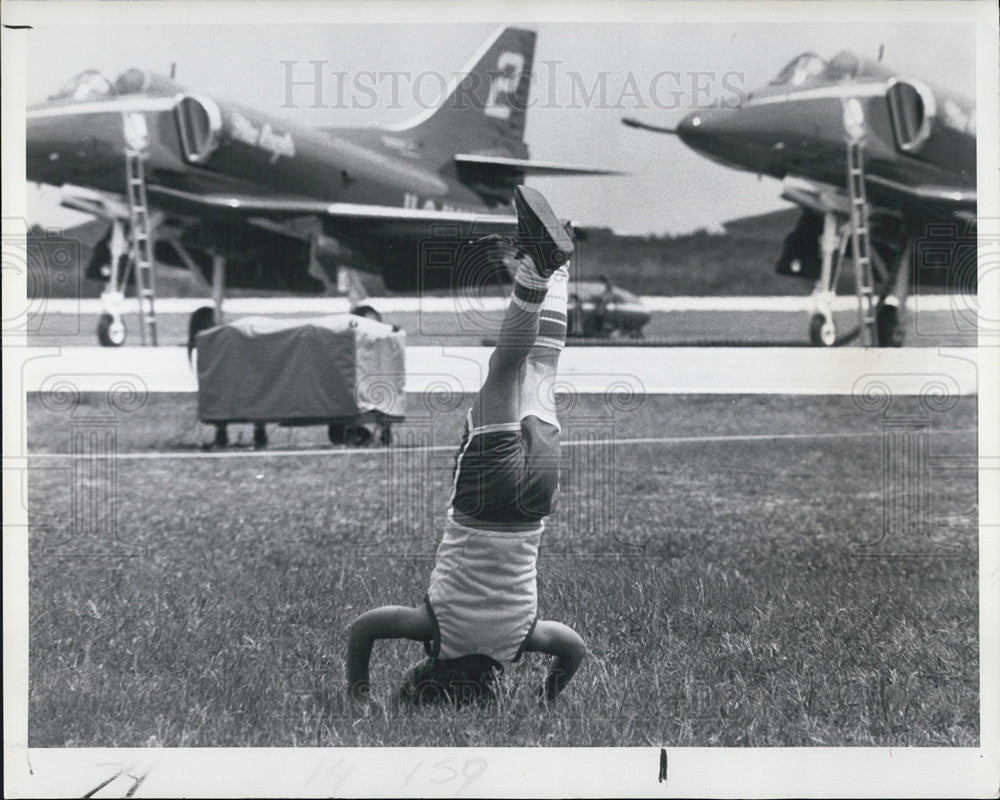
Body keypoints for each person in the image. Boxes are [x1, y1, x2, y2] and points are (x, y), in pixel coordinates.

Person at [346, 186, 587, 707]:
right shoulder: (433, 630)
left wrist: (550, 695)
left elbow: (573, 647)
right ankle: (537, 270)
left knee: (542, 368)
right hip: (482, 499)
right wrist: (358, 692)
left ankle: (560, 272)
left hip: (535, 503)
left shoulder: (519, 642)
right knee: (506, 369)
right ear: (424, 674)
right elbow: (362, 629)